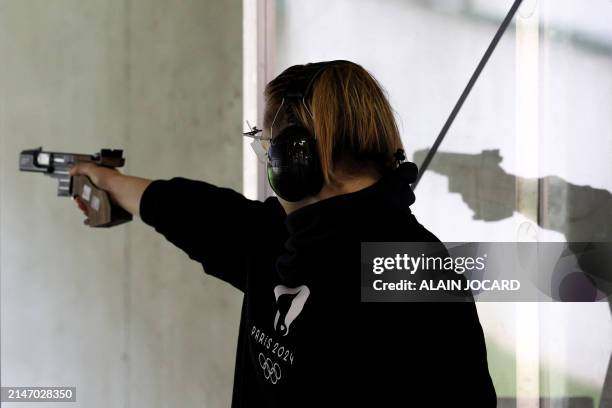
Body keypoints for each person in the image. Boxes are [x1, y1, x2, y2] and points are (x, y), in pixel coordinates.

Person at [70, 60, 496, 406]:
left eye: (267, 146)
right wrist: (108, 182)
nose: (265, 160)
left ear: (295, 161)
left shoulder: (411, 273)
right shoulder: (289, 236)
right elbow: (197, 214)